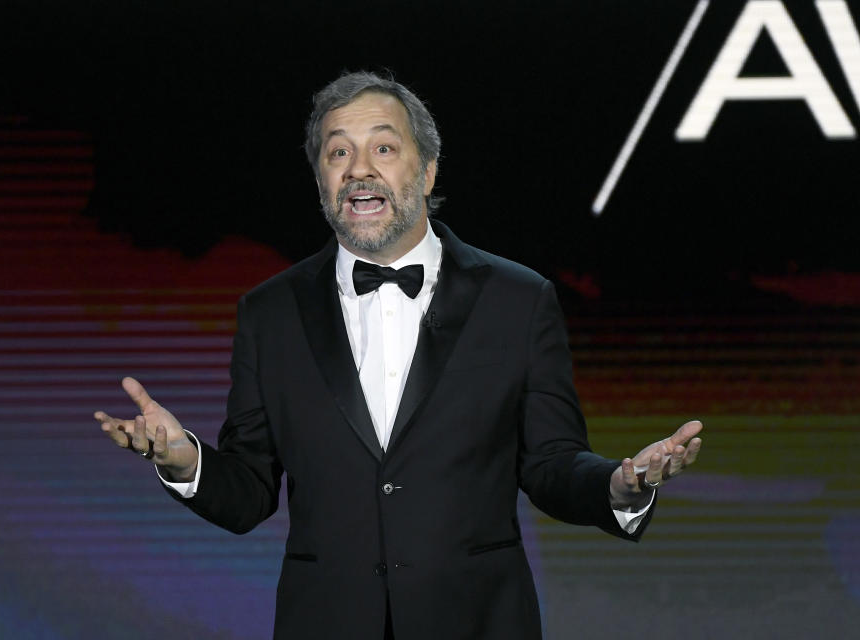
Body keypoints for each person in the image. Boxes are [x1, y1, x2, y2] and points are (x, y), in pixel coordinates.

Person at [94, 71, 703, 640]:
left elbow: (550, 463)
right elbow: (251, 491)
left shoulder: (518, 300)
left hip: (479, 621)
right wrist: (183, 460)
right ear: (320, 180)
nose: (359, 169)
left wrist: (621, 486)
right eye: (338, 152)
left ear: (430, 171)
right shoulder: (269, 313)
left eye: (383, 149)